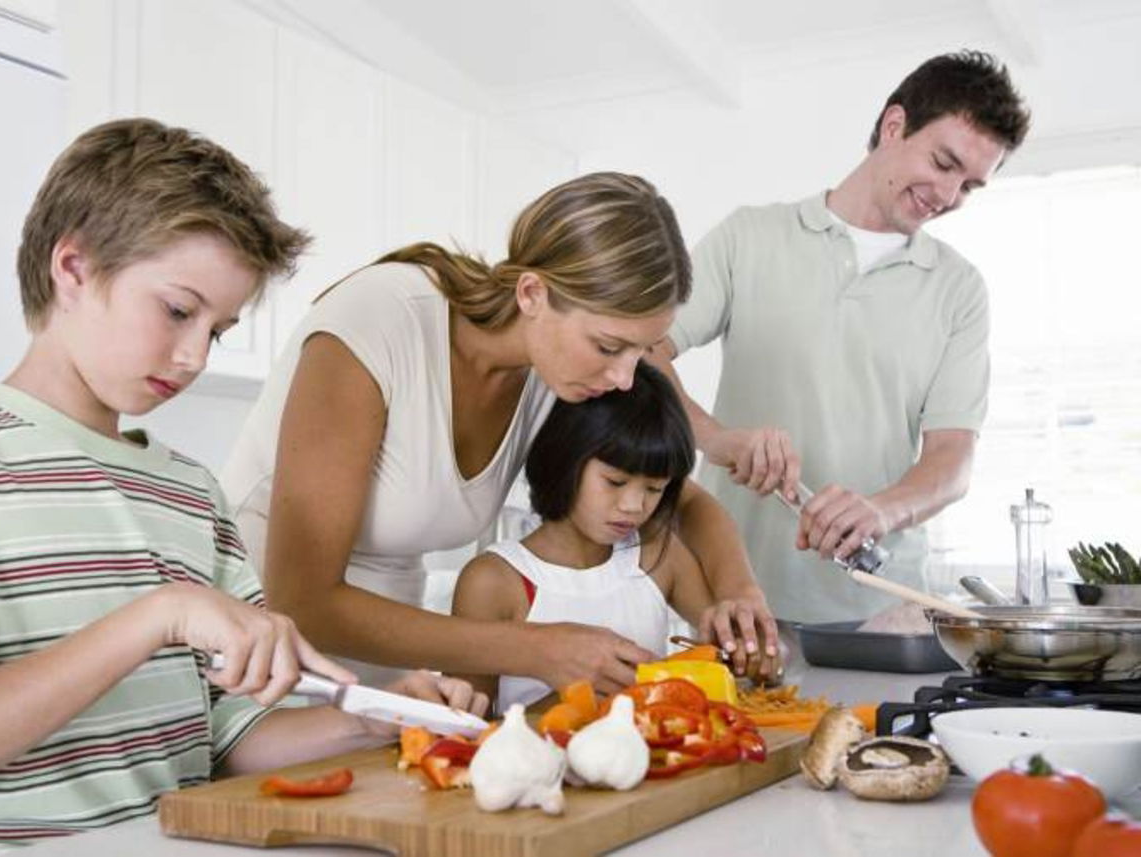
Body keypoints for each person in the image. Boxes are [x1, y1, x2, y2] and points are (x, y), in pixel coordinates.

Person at [0, 118, 485, 853]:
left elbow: (228, 737)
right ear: (72, 267)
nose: (195, 354)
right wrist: (159, 614)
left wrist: (370, 716)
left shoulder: (191, 493)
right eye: (176, 309)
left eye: (219, 329)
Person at [221, 172, 781, 694]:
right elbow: (302, 601)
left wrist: (738, 595)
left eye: (642, 351)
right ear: (533, 294)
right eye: (610, 347)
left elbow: (685, 500)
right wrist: (534, 649)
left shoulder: (563, 375)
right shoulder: (381, 320)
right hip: (256, 653)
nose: (624, 377)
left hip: (386, 664)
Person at [649, 50, 1031, 623]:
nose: (949, 196)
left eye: (970, 186)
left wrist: (880, 511)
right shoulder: (749, 236)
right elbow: (644, 350)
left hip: (878, 609)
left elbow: (952, 459)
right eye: (944, 163)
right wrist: (716, 440)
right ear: (894, 125)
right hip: (731, 594)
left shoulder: (959, 290)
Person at [451, 362, 764, 711]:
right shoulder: (495, 582)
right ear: (563, 458)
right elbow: (464, 726)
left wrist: (747, 646)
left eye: (654, 488)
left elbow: (729, 649)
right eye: (614, 482)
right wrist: (570, 701)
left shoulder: (657, 557)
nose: (634, 506)